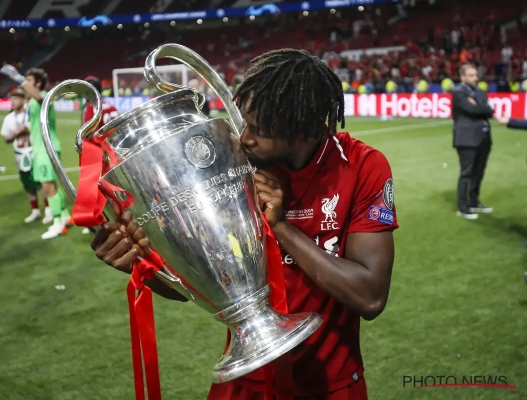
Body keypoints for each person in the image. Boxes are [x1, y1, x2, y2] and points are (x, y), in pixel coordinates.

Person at [90, 48, 398, 399]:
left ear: (305, 130)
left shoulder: (362, 166)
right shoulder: (234, 162)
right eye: (245, 122)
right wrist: (138, 262)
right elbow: (199, 284)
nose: (246, 138)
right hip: (245, 380)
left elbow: (370, 297)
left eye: (260, 130)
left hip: (331, 384)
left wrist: (281, 228)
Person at [0, 65, 73, 239]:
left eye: (29, 81)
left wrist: (18, 77)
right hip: (42, 148)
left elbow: (38, 96)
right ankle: (65, 216)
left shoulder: (44, 97)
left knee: (47, 187)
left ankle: (57, 225)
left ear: (38, 84)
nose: (24, 85)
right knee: (51, 185)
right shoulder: (31, 101)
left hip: (46, 148)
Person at [0, 89, 51, 223]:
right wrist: (15, 133)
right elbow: (6, 138)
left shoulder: (31, 114)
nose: (13, 101)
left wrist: (27, 129)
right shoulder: (9, 118)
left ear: (23, 100)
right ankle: (35, 211)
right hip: (20, 155)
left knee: (42, 182)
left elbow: (41, 129)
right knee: (28, 184)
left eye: (16, 98)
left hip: (35, 152)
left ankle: (48, 209)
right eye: (11, 99)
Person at [452, 64, 495, 220]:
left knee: (479, 172)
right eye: (471, 75)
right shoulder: (458, 92)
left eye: (476, 75)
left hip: (483, 137)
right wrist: (483, 108)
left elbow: (489, 110)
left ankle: (474, 202)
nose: (475, 78)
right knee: (466, 173)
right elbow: (472, 110)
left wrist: (481, 107)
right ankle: (462, 208)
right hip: (467, 138)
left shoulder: (480, 91)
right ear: (462, 77)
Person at [80, 75, 119, 235]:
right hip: (112, 152)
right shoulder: (109, 106)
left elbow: (90, 134)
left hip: (96, 153)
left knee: (95, 189)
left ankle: (99, 221)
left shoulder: (92, 107)